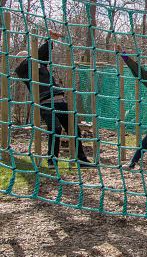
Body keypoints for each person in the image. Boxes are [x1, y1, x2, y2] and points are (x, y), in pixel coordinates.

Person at [15, 32, 96, 168]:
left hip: (59, 100)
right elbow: (36, 56)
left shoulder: (39, 63)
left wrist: (51, 40)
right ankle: (52, 161)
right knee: (55, 128)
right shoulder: (22, 69)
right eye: (26, 57)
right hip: (45, 103)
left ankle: (81, 160)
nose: (28, 58)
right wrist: (49, 40)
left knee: (74, 130)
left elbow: (44, 54)